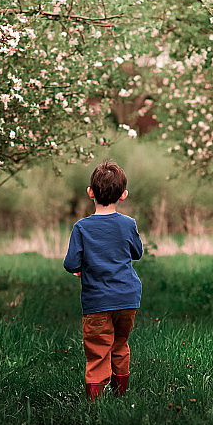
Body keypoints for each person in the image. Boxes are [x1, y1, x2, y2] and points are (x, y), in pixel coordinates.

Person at [63, 160, 144, 400]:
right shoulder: (129, 224)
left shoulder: (81, 228)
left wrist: (81, 269)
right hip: (128, 298)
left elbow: (70, 264)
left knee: (98, 351)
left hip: (97, 301)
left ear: (90, 193)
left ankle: (96, 404)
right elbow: (137, 253)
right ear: (123, 195)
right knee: (120, 344)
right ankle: (120, 396)